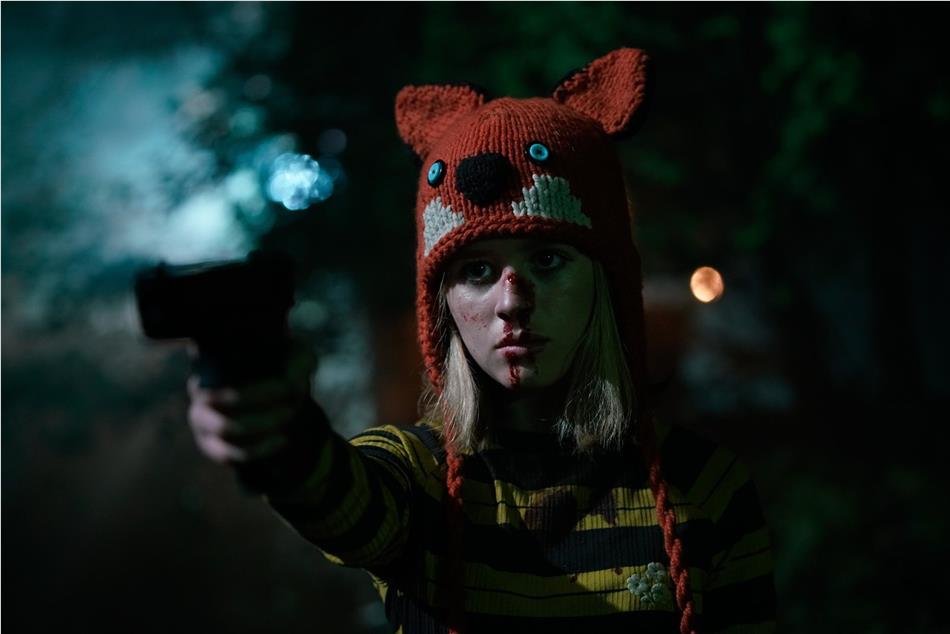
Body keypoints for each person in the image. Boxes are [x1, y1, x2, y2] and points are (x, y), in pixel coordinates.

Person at [187, 48, 776, 633]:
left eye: (547, 260)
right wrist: (278, 431)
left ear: (607, 282)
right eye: (476, 271)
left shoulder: (707, 489)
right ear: (441, 304)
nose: (511, 301)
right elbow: (338, 499)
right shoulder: (419, 479)